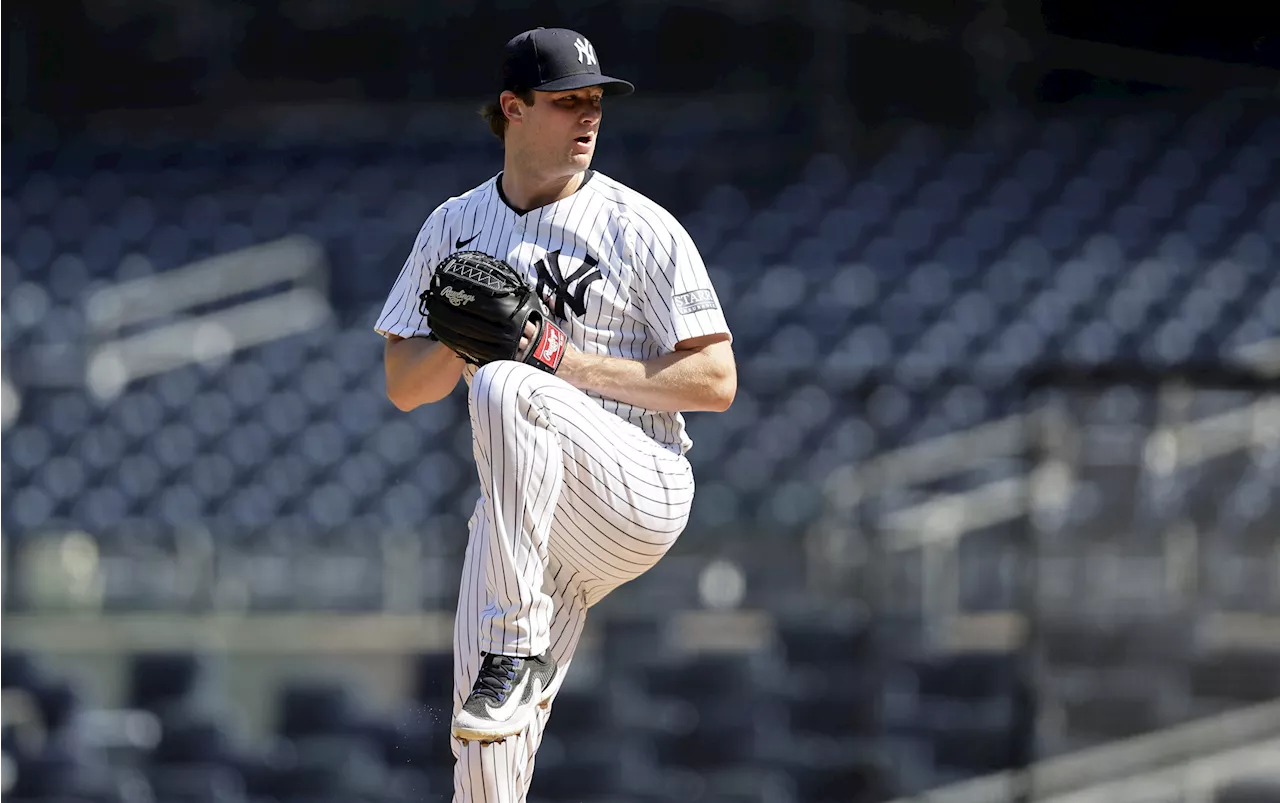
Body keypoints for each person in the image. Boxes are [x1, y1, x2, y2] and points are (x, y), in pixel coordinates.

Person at [374, 26, 736, 803]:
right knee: (481, 736)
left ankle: (513, 647)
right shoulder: (454, 226)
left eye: (596, 101)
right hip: (528, 515)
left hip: (634, 482)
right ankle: (509, 666)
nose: (588, 116)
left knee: (506, 385)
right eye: (567, 100)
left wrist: (554, 356)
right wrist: (454, 336)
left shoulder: (639, 227)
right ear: (512, 107)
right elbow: (404, 385)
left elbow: (715, 379)